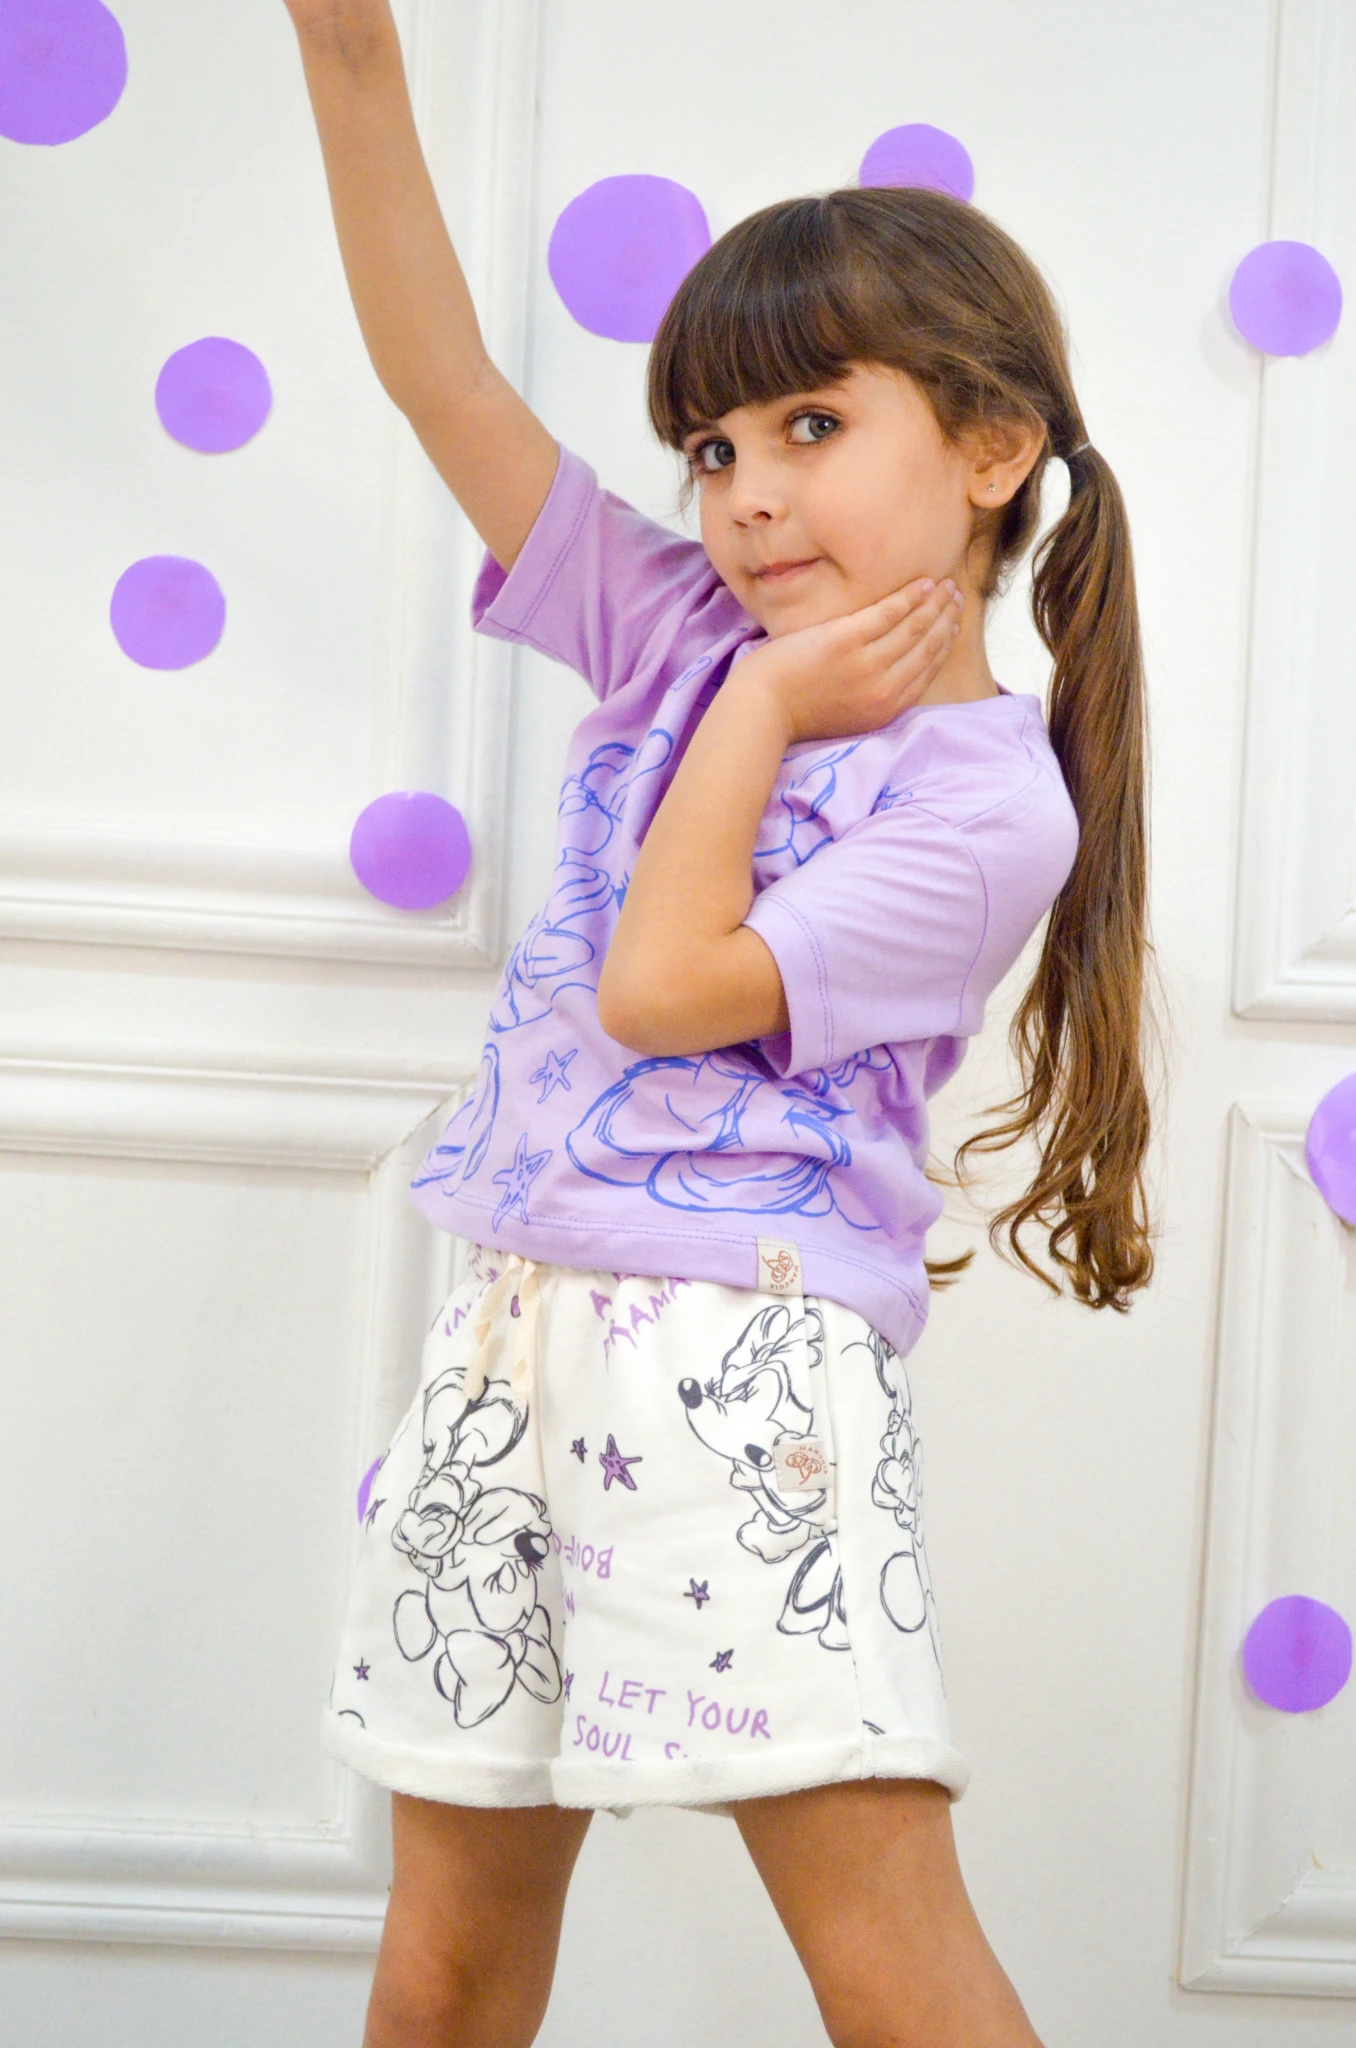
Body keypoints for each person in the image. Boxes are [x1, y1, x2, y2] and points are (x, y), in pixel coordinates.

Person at [282, 5, 1154, 2044]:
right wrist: (349, 58)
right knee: (443, 1961)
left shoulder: (984, 805)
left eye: (812, 426)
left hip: (743, 1370)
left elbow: (662, 990)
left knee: (884, 1960)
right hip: (511, 1328)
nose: (747, 496)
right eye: (713, 448)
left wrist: (761, 707)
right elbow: (439, 376)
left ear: (994, 448)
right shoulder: (675, 624)